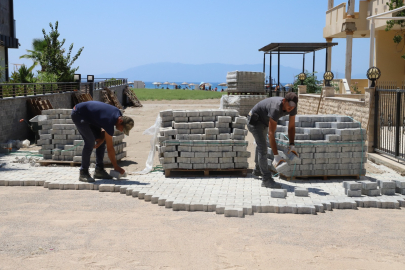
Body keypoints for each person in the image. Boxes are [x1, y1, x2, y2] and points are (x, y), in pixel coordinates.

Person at [71, 101, 134, 182]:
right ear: (120, 121)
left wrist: (101, 140)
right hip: (79, 114)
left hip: (90, 116)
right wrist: (116, 166)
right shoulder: (110, 120)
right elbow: (110, 148)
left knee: (100, 139)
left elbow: (104, 127)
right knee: (90, 142)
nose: (122, 131)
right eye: (123, 128)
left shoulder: (118, 114)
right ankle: (83, 172)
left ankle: (99, 170)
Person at [247, 93, 299, 188]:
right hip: (254, 120)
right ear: (284, 101)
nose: (290, 109)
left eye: (293, 107)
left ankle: (258, 170)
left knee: (261, 144)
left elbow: (291, 127)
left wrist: (292, 145)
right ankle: (266, 179)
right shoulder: (275, 108)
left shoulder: (293, 107)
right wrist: (276, 156)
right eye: (289, 106)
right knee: (263, 147)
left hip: (263, 121)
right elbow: (271, 134)